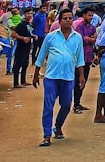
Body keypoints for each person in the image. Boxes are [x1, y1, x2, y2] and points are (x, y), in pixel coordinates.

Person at [32, 9, 85, 147]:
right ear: (59, 21)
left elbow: (80, 58)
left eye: (70, 18)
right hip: (51, 77)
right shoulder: (51, 37)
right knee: (48, 106)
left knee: (67, 105)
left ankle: (58, 126)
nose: (68, 20)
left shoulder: (77, 37)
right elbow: (41, 56)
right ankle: (47, 135)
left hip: (68, 77)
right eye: (65, 18)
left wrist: (81, 76)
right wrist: (36, 74)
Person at [71, 8, 97, 114]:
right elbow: (79, 39)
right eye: (89, 15)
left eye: (92, 16)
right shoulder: (79, 26)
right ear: (84, 15)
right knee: (78, 81)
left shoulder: (92, 27)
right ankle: (75, 104)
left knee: (83, 81)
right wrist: (89, 39)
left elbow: (96, 38)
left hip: (88, 58)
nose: (90, 17)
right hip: (79, 59)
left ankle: (78, 103)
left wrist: (89, 39)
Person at [11, 9, 35, 88]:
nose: (30, 15)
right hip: (20, 48)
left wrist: (33, 36)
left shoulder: (28, 24)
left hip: (27, 48)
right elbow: (13, 34)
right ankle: (16, 83)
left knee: (25, 64)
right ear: (24, 14)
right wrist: (23, 38)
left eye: (31, 14)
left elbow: (28, 33)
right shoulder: (21, 24)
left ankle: (23, 81)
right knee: (17, 66)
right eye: (28, 13)